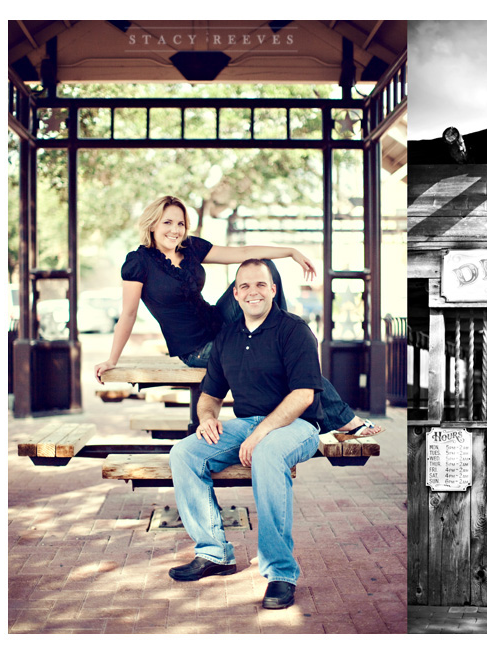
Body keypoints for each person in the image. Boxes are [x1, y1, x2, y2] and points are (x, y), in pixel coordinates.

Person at [94, 195, 381, 438]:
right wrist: (112, 360)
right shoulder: (138, 262)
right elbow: (128, 314)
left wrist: (290, 251)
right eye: (167, 222)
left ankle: (279, 334)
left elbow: (244, 253)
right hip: (197, 347)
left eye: (180, 223)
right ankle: (345, 420)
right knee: (288, 362)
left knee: (262, 267)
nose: (175, 229)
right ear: (153, 224)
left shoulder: (191, 248)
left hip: (218, 320)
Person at [168, 259, 321, 609]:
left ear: (273, 290)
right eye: (246, 286)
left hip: (297, 425)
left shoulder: (294, 330)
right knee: (184, 453)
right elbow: (210, 396)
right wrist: (206, 418)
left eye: (261, 285)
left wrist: (262, 433)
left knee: (267, 454)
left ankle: (281, 573)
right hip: (249, 424)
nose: (254, 292)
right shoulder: (228, 337)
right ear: (235, 294)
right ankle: (215, 554)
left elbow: (303, 395)